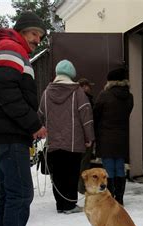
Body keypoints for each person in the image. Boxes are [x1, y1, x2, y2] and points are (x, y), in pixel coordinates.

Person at [0, 11, 47, 226]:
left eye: (41, 36)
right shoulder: (11, 48)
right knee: (20, 193)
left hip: (3, 133)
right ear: (21, 30)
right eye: (34, 34)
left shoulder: (9, 48)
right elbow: (8, 94)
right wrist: (34, 124)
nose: (37, 40)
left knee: (9, 193)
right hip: (10, 134)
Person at [38, 60, 95, 214]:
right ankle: (70, 204)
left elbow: (40, 115)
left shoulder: (46, 92)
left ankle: (60, 204)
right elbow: (86, 116)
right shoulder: (78, 92)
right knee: (71, 172)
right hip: (74, 141)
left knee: (57, 174)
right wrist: (89, 137)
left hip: (54, 142)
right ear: (72, 74)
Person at [93, 68, 133, 205]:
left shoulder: (104, 95)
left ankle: (109, 198)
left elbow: (95, 114)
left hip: (106, 138)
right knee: (120, 168)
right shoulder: (129, 97)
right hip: (122, 137)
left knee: (109, 169)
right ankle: (120, 198)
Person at [77, 77, 95, 194]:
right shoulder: (86, 99)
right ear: (83, 86)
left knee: (79, 163)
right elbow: (88, 120)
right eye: (88, 86)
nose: (90, 88)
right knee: (84, 163)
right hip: (85, 136)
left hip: (77, 136)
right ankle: (82, 187)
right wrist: (90, 137)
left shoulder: (74, 98)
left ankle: (79, 186)